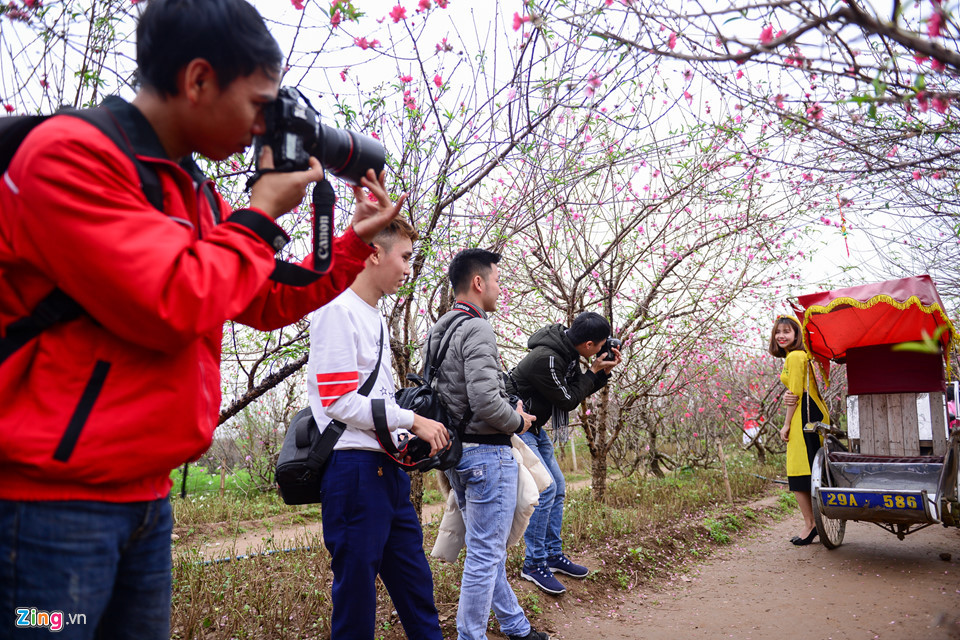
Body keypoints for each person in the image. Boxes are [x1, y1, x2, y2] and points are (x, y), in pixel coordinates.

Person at [0, 1, 404, 637]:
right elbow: (172, 303)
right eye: (257, 104)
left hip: (145, 502)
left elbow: (262, 299)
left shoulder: (193, 192)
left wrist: (351, 242)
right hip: (48, 510)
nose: (262, 128)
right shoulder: (68, 158)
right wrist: (263, 211)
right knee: (43, 627)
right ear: (197, 80)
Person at [307, 217, 449, 640]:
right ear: (374, 254)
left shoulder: (375, 318)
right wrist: (412, 420)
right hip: (353, 474)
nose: (408, 268)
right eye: (404, 257)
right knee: (355, 603)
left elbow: (376, 403)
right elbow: (338, 401)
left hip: (387, 474)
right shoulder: (337, 310)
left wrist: (407, 440)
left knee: (416, 589)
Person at [428, 248, 548, 640]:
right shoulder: (478, 328)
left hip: (457, 453)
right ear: (478, 283)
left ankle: (515, 626)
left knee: (485, 548)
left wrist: (500, 403)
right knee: (485, 555)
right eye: (497, 280)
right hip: (487, 453)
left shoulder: (440, 328)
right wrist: (519, 419)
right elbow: (483, 402)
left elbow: (456, 394)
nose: (500, 287)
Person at [508, 311, 620, 595]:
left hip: (536, 427)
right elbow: (569, 399)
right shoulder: (548, 359)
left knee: (557, 488)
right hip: (520, 428)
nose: (605, 348)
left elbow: (571, 388)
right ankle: (533, 564)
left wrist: (600, 373)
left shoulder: (566, 351)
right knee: (544, 490)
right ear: (589, 344)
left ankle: (551, 554)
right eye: (602, 343)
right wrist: (594, 372)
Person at [768, 314, 829, 546]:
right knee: (808, 468)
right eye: (778, 332)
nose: (781, 336)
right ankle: (815, 522)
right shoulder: (800, 356)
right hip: (812, 412)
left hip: (804, 415)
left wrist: (785, 425)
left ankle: (810, 524)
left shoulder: (795, 356)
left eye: (787, 332)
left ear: (796, 335)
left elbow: (793, 395)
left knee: (799, 469)